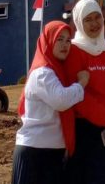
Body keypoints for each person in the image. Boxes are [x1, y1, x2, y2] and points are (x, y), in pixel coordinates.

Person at [12, 20, 89, 184]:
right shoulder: (43, 72)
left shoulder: (56, 71)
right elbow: (61, 100)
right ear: (48, 40)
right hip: (35, 154)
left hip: (50, 153)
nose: (64, 45)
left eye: (68, 40)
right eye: (59, 39)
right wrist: (81, 82)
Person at [65, 0, 105, 184]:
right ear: (78, 23)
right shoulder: (74, 51)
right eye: (88, 19)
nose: (94, 24)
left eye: (97, 17)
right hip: (86, 132)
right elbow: (80, 97)